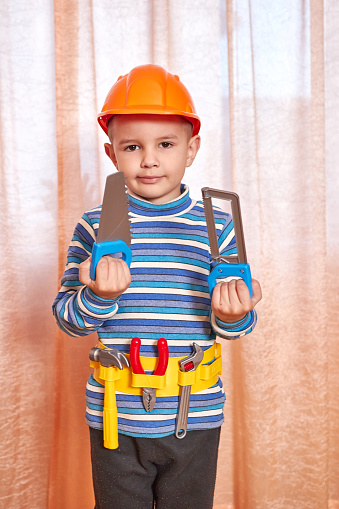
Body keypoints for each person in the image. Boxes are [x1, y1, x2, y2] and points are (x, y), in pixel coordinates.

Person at [53, 64, 262, 509]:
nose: (149, 159)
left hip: (195, 415)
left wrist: (232, 315)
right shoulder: (95, 226)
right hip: (115, 415)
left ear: (191, 149)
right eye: (133, 147)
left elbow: (238, 327)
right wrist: (99, 297)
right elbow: (67, 320)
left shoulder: (217, 226)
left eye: (165, 144)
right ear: (112, 154)